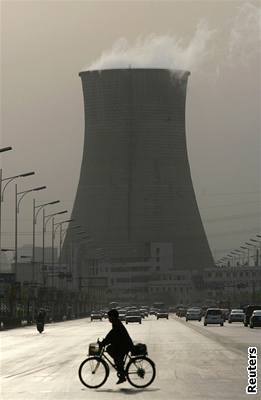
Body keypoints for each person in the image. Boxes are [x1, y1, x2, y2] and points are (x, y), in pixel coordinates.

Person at [99, 309, 133, 384]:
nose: (108, 319)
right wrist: (105, 342)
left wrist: (103, 343)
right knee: (113, 352)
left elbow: (112, 335)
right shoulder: (116, 323)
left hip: (125, 345)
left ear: (113, 317)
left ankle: (122, 374)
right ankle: (121, 370)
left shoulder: (116, 323)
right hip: (123, 344)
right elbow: (111, 335)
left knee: (112, 352)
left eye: (109, 317)